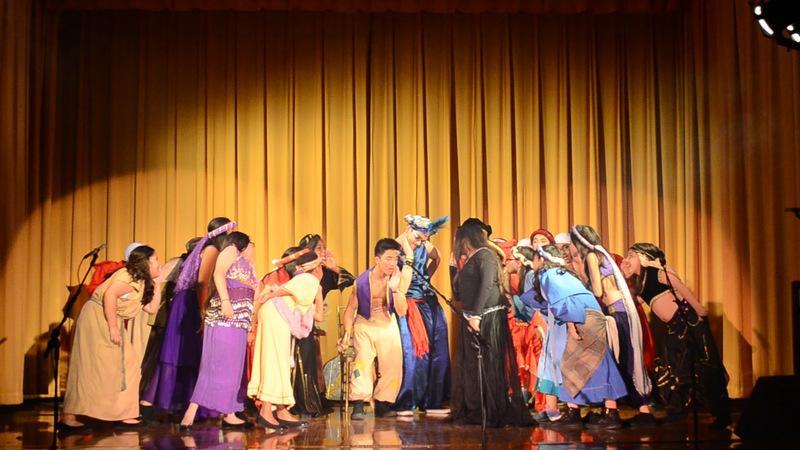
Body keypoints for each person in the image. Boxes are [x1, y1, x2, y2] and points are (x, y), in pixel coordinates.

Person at [622, 243, 731, 428]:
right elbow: (633, 301)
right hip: (674, 329)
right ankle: (676, 411)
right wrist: (625, 277)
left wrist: (698, 308)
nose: (627, 260)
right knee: (672, 369)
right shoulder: (641, 283)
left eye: (631, 256)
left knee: (704, 366)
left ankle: (720, 414)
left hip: (688, 322)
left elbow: (679, 286)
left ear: (644, 257)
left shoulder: (658, 273)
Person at [521, 245, 627, 429]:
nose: (533, 263)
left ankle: (580, 414)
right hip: (591, 316)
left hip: (581, 318)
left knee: (572, 365)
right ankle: (606, 412)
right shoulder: (563, 274)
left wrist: (571, 324)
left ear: (542, 259)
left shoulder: (549, 275)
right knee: (597, 364)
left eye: (535, 259)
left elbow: (563, 299)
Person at [140, 218, 236, 416]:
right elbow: (201, 283)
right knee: (183, 353)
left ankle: (183, 404)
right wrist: (202, 311)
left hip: (191, 302)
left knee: (189, 354)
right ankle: (160, 404)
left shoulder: (211, 249)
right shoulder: (212, 250)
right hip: (191, 304)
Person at [61, 245, 163, 430]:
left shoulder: (141, 282)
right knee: (89, 367)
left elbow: (151, 309)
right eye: (155, 260)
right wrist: (113, 327)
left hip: (110, 320)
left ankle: (124, 413)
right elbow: (110, 295)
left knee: (129, 365)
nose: (159, 263)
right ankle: (70, 416)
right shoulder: (128, 277)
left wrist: (157, 284)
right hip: (98, 319)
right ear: (145, 263)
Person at [449, 222, 532, 427]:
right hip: (473, 318)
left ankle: (490, 409)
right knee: (472, 367)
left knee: (488, 365)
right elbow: (458, 293)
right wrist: (453, 267)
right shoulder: (471, 259)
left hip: (487, 318)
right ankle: (476, 408)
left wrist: (476, 316)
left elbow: (487, 285)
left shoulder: (485, 254)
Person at [570, 225, 654, 425]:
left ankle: (627, 412)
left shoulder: (592, 256)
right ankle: (641, 410)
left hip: (617, 313)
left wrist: (580, 281)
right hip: (619, 312)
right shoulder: (601, 254)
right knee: (625, 359)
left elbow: (598, 291)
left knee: (618, 360)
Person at [179, 232, 258, 431]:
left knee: (232, 367)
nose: (254, 248)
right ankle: (191, 411)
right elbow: (218, 274)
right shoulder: (232, 250)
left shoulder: (248, 265)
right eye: (251, 244)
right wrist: (225, 301)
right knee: (215, 363)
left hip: (238, 322)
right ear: (243, 244)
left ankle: (229, 413)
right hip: (225, 318)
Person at [248, 249, 322, 431]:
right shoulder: (309, 279)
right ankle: (266, 410)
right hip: (276, 315)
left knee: (278, 362)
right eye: (320, 265)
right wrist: (270, 295)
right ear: (314, 267)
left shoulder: (307, 281)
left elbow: (315, 313)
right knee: (274, 361)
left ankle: (281, 410)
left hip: (275, 314)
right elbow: (281, 292)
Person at [340, 238, 410, 420]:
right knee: (362, 362)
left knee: (393, 364)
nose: (392, 263)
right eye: (388, 259)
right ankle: (358, 403)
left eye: (395, 259)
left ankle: (383, 402)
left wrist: (395, 290)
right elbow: (350, 309)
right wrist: (347, 333)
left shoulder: (398, 278)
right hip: (365, 323)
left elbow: (402, 312)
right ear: (377, 259)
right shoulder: (361, 282)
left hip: (387, 324)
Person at [292, 234, 355, 416]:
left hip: (312, 322)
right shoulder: (298, 270)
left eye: (323, 248)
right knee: (299, 361)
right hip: (294, 320)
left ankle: (311, 400)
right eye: (319, 248)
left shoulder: (325, 272)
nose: (323, 251)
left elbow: (351, 280)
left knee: (311, 363)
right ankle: (297, 402)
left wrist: (333, 267)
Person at [394, 214, 450, 415]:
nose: (420, 242)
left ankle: (433, 401)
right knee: (416, 352)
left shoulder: (424, 246)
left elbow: (438, 257)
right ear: (409, 230)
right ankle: (407, 401)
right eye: (417, 238)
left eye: (424, 239)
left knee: (439, 349)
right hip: (409, 302)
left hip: (429, 300)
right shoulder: (397, 247)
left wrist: (426, 278)